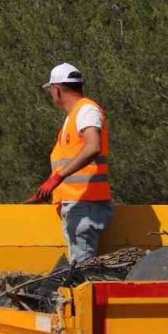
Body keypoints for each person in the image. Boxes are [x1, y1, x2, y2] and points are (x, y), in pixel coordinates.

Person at [29, 62, 113, 263]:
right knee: (79, 268)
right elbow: (70, 159)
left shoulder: (86, 111)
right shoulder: (74, 117)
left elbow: (93, 146)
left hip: (85, 204)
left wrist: (58, 177)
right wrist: (48, 190)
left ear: (56, 90)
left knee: (81, 270)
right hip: (78, 203)